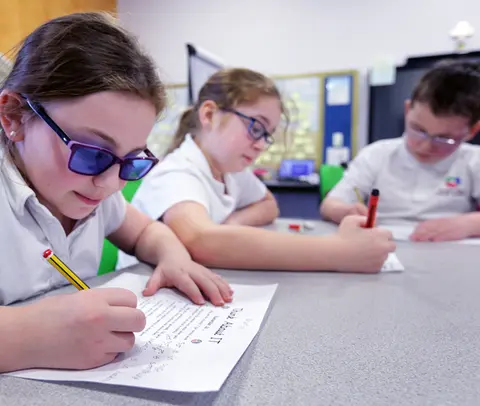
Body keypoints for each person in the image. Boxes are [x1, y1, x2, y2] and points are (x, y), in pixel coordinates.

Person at [0, 12, 233, 373]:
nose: (111, 183)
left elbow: (145, 232)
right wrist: (25, 336)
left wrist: (174, 257)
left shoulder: (99, 192)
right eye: (92, 153)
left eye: (131, 161)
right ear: (14, 116)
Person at [118, 68, 395, 273]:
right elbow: (200, 240)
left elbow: (268, 204)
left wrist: (233, 224)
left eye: (268, 134)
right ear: (210, 115)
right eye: (256, 127)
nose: (262, 144)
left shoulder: (230, 170)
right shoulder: (177, 172)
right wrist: (341, 251)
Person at [320, 60, 480, 242]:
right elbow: (329, 205)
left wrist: (467, 224)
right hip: (384, 242)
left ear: (472, 131)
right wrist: (345, 211)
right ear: (407, 110)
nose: (425, 146)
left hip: (451, 250)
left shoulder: (473, 160)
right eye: (418, 130)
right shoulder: (377, 154)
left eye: (444, 138)